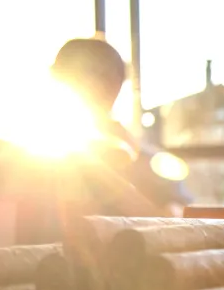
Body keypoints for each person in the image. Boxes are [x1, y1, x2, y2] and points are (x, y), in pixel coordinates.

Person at [50, 37, 191, 215]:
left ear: (114, 83)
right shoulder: (35, 159)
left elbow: (175, 219)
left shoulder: (147, 161)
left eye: (92, 76)